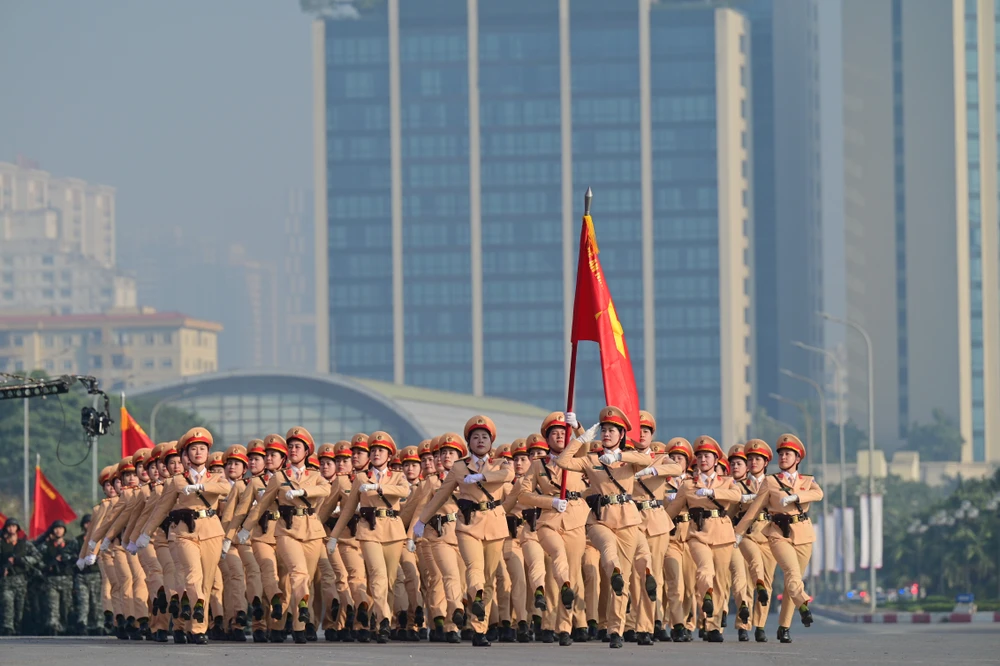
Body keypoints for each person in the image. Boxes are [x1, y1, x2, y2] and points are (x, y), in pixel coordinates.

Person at [555, 406, 656, 649]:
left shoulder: (628, 460)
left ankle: (615, 631)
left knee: (622, 582)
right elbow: (562, 461)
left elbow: (647, 459)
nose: (607, 434)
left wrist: (620, 457)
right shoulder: (592, 460)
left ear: (621, 435)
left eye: (612, 430)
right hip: (600, 520)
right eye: (604, 430)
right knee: (610, 555)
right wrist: (580, 438)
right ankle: (615, 571)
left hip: (628, 521)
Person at [414, 416, 514, 647]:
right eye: (475, 437)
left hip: (495, 525)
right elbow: (441, 495)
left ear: (491, 442)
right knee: (474, 568)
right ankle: (476, 599)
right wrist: (422, 521)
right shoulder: (459, 467)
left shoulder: (500, 464)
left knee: (489, 578)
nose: (480, 440)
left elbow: (508, 476)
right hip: (468, 525)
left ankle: (480, 628)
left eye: (485, 437)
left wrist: (482, 476)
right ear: (469, 442)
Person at [137, 427, 231, 644]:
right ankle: (196, 628)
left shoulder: (217, 478)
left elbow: (226, 489)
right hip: (183, 534)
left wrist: (200, 486)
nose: (198, 453)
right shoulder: (177, 481)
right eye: (193, 449)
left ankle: (188, 626)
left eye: (202, 449)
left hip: (211, 532)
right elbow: (161, 509)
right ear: (186, 455)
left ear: (208, 453)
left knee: (206, 581)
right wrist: (145, 533)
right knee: (192, 574)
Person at [734, 434, 822, 644]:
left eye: (788, 454)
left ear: (797, 459)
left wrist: (798, 497)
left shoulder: (807, 481)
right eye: (781, 454)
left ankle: (784, 627)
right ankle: (803, 604)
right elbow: (753, 511)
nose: (783, 457)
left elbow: (819, 494)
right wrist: (738, 533)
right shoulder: (771, 482)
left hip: (803, 534)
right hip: (778, 534)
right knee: (792, 574)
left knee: (793, 582)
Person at [517, 413, 588, 646]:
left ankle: (565, 628)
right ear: (546, 439)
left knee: (572, 574)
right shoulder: (538, 465)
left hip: (575, 520)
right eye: (554, 433)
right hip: (549, 520)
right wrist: (550, 502)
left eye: (562, 432)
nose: (559, 436)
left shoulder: (577, 458)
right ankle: (548, 624)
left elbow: (586, 445)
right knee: (555, 569)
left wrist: (577, 427)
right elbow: (524, 495)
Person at [666, 435, 742, 642]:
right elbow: (672, 510)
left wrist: (713, 492)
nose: (703, 460)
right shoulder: (688, 485)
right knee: (704, 570)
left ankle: (714, 627)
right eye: (699, 457)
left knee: (721, 581)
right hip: (698, 534)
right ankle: (706, 593)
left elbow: (737, 496)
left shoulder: (727, 482)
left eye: (707, 456)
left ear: (716, 460)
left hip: (723, 534)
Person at [37, 519, 76, 635]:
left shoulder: (71, 544)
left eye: (61, 528)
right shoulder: (46, 546)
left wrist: (66, 559)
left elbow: (78, 558)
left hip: (67, 579)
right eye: (56, 528)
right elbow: (35, 554)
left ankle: (65, 628)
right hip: (51, 580)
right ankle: (53, 628)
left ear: (64, 530)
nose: (58, 531)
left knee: (66, 607)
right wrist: (46, 567)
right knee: (52, 607)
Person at [1, 517, 40, 635]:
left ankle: (17, 630)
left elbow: (37, 557)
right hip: (6, 580)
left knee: (19, 609)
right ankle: (8, 629)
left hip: (21, 580)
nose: (11, 529)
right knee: (7, 606)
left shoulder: (24, 544)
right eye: (9, 526)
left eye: (13, 526)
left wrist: (22, 560)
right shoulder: (1, 544)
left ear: (17, 528)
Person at [73, 514, 103, 635]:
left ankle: (99, 625)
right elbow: (68, 555)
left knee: (96, 602)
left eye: (91, 523)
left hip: (95, 575)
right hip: (81, 576)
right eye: (86, 523)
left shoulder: (99, 540)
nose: (88, 525)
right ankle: (82, 624)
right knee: (83, 602)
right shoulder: (77, 541)